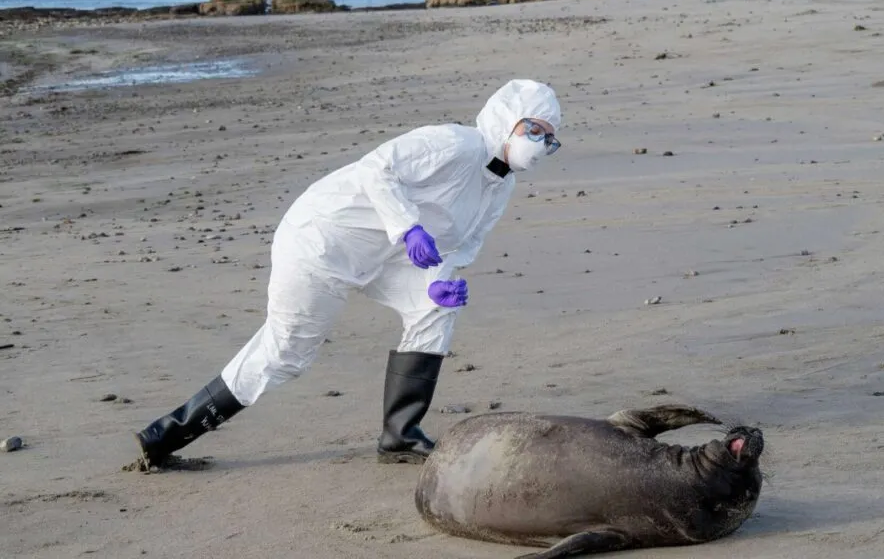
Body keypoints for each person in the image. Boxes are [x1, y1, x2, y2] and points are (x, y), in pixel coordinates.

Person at [132, 79, 562, 470]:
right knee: (285, 354)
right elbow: (378, 169)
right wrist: (408, 225)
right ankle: (166, 435)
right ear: (507, 119)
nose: (541, 143)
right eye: (534, 130)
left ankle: (400, 436)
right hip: (321, 242)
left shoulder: (501, 186)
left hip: (383, 257)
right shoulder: (454, 143)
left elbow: (461, 246)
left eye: (550, 138)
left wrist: (440, 281)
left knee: (435, 310)